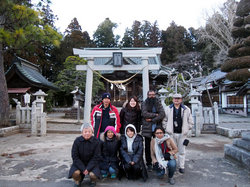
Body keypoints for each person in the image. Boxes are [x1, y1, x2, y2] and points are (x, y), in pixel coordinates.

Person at [162, 93, 194, 174]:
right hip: (171, 133)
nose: (176, 100)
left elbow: (191, 121)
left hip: (182, 134)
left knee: (182, 150)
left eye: (178, 98)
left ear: (181, 100)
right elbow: (164, 120)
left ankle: (181, 166)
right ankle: (173, 165)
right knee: (172, 150)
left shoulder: (186, 109)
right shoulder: (168, 108)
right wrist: (166, 128)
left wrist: (187, 128)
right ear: (172, 99)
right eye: (175, 98)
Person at [141, 90, 165, 171]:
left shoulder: (158, 102)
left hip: (157, 127)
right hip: (147, 128)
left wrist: (151, 120)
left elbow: (162, 114)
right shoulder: (144, 103)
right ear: (147, 95)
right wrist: (155, 115)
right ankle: (149, 163)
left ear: (155, 95)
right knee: (147, 147)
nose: (152, 96)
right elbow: (144, 113)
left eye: (153, 94)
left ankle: (158, 162)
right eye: (150, 95)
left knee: (158, 146)